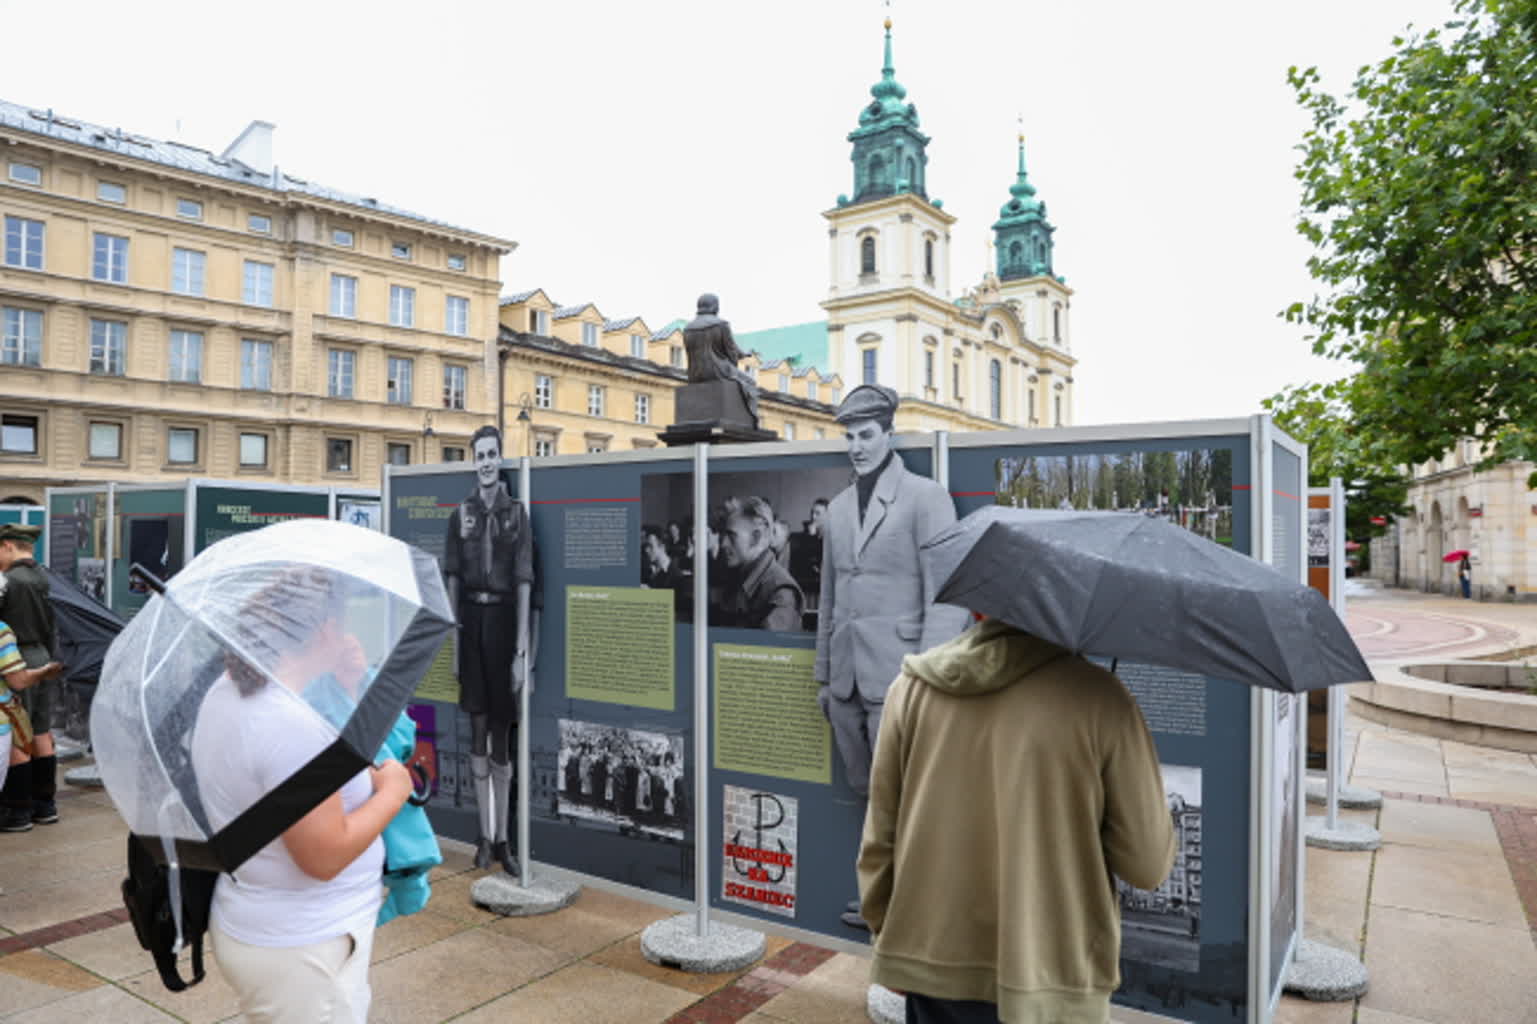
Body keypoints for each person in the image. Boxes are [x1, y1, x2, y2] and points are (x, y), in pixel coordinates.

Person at [857, 617, 1175, 1023]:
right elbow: (1147, 866)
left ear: (976, 609)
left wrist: (887, 939)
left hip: (930, 964)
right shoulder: (1102, 699)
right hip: (1055, 976)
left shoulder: (911, 689)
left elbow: (880, 839)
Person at [191, 572, 413, 1024]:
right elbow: (324, 855)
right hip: (305, 951)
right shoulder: (288, 725)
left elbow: (295, 782)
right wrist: (393, 792)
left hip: (266, 928)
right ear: (326, 629)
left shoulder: (228, 692)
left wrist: (348, 686)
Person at [814, 385, 968, 928]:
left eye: (866, 435)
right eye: (849, 436)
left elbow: (947, 593)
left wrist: (926, 676)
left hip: (900, 675)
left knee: (903, 794)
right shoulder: (836, 508)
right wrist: (824, 679)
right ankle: (882, 900)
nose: (856, 446)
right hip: (847, 681)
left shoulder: (926, 498)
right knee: (866, 793)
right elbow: (830, 598)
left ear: (888, 434)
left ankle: (915, 909)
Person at [443, 425, 538, 874]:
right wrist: (455, 637)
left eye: (492, 454)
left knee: (502, 732)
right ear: (472, 459)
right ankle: (483, 836)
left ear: (500, 458)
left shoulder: (517, 514)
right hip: (471, 622)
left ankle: (504, 841)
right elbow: (453, 578)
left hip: (502, 624)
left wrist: (521, 648)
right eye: (479, 454)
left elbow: (524, 581)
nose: (485, 461)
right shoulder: (459, 514)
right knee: (476, 731)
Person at [0, 524, 62, 832]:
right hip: (42, 656)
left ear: (8, 546)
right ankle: (45, 804)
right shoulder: (46, 578)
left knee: (16, 732)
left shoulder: (9, 581)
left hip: (14, 659)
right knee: (40, 731)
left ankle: (18, 810)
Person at [0, 618, 65, 834]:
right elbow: (17, 680)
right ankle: (40, 806)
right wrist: (45, 671)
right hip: (35, 656)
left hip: (25, 656)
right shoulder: (2, 631)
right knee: (35, 735)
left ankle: (18, 811)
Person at [715, 496, 804, 632]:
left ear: (755, 538)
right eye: (724, 536)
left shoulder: (782, 594)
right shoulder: (739, 576)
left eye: (732, 536)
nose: (723, 544)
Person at [682, 293, 759, 426]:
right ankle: (750, 421)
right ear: (714, 306)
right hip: (718, 371)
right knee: (750, 382)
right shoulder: (721, 325)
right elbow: (731, 350)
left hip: (694, 375)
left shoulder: (688, 328)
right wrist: (736, 362)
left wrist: (741, 354)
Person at [789, 498, 828, 611]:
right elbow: (803, 561)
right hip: (807, 586)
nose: (813, 517)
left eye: (818, 513)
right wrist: (810, 537)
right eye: (812, 512)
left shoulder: (831, 536)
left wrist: (812, 538)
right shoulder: (805, 537)